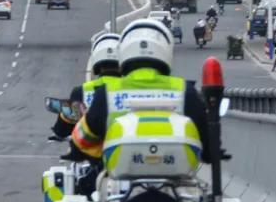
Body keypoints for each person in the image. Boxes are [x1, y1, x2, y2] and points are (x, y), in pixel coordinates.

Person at [69, 18, 213, 166]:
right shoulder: (185, 91)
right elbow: (206, 142)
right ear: (166, 50)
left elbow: (82, 139)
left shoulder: (106, 93)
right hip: (176, 177)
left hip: (120, 179)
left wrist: (102, 153)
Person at [49, 33, 121, 142]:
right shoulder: (133, 89)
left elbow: (64, 127)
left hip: (92, 150)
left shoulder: (81, 91)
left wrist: (59, 132)